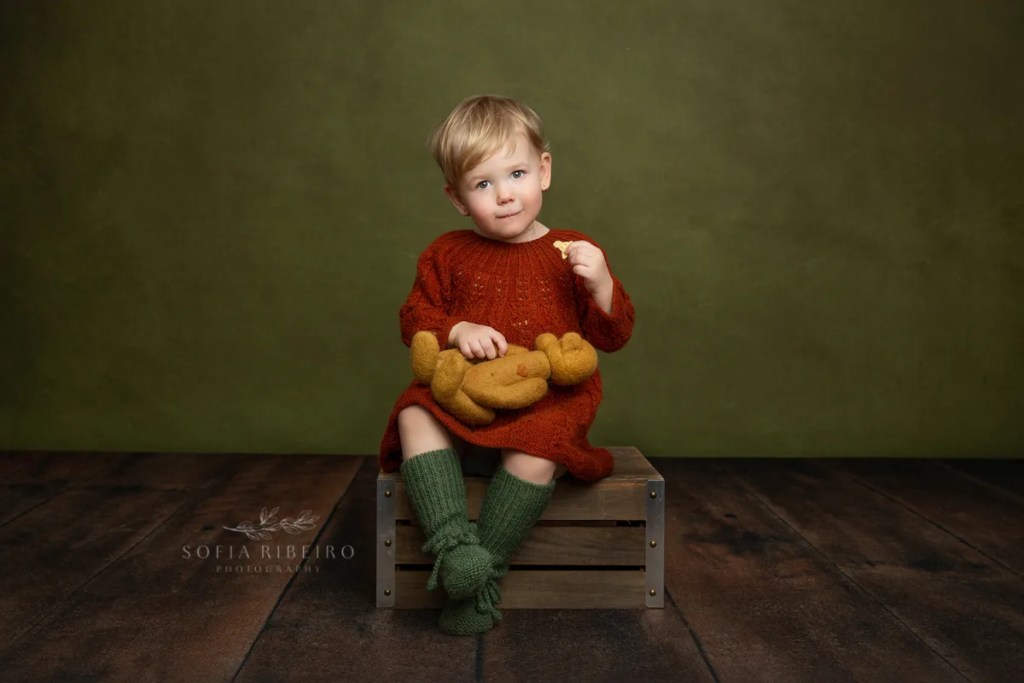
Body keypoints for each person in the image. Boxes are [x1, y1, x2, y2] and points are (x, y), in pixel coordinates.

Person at [379, 95, 635, 635]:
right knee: (414, 413)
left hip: (547, 399)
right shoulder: (446, 254)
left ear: (544, 170)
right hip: (468, 395)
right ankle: (453, 546)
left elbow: (612, 336)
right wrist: (456, 330)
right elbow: (413, 317)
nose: (505, 195)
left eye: (516, 174)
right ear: (457, 198)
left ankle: (483, 570)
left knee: (538, 448)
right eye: (483, 184)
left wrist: (603, 284)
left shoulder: (572, 250)